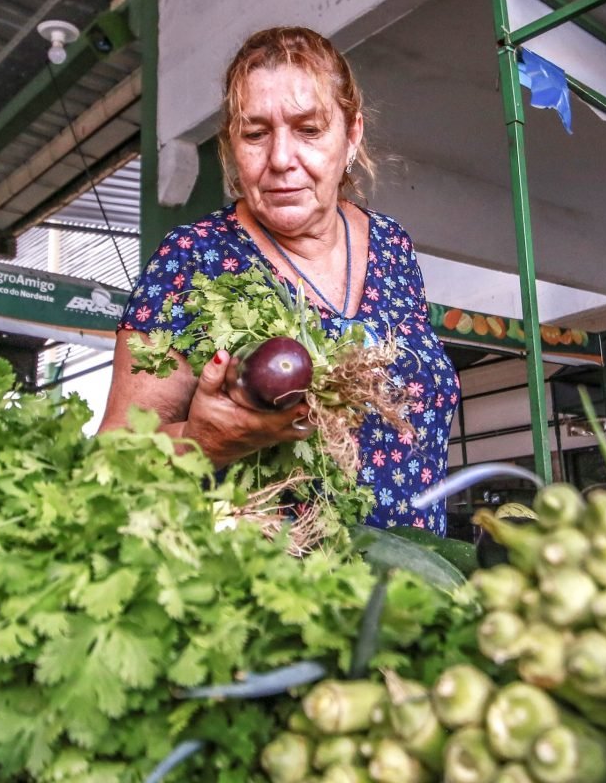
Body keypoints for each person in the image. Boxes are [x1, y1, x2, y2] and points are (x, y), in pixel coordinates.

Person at [99, 26, 460, 535]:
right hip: (274, 593)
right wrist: (201, 442)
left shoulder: (392, 245)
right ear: (231, 144)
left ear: (351, 134)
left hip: (416, 588)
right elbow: (112, 461)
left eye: (309, 129)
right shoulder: (191, 260)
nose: (281, 159)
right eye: (255, 133)